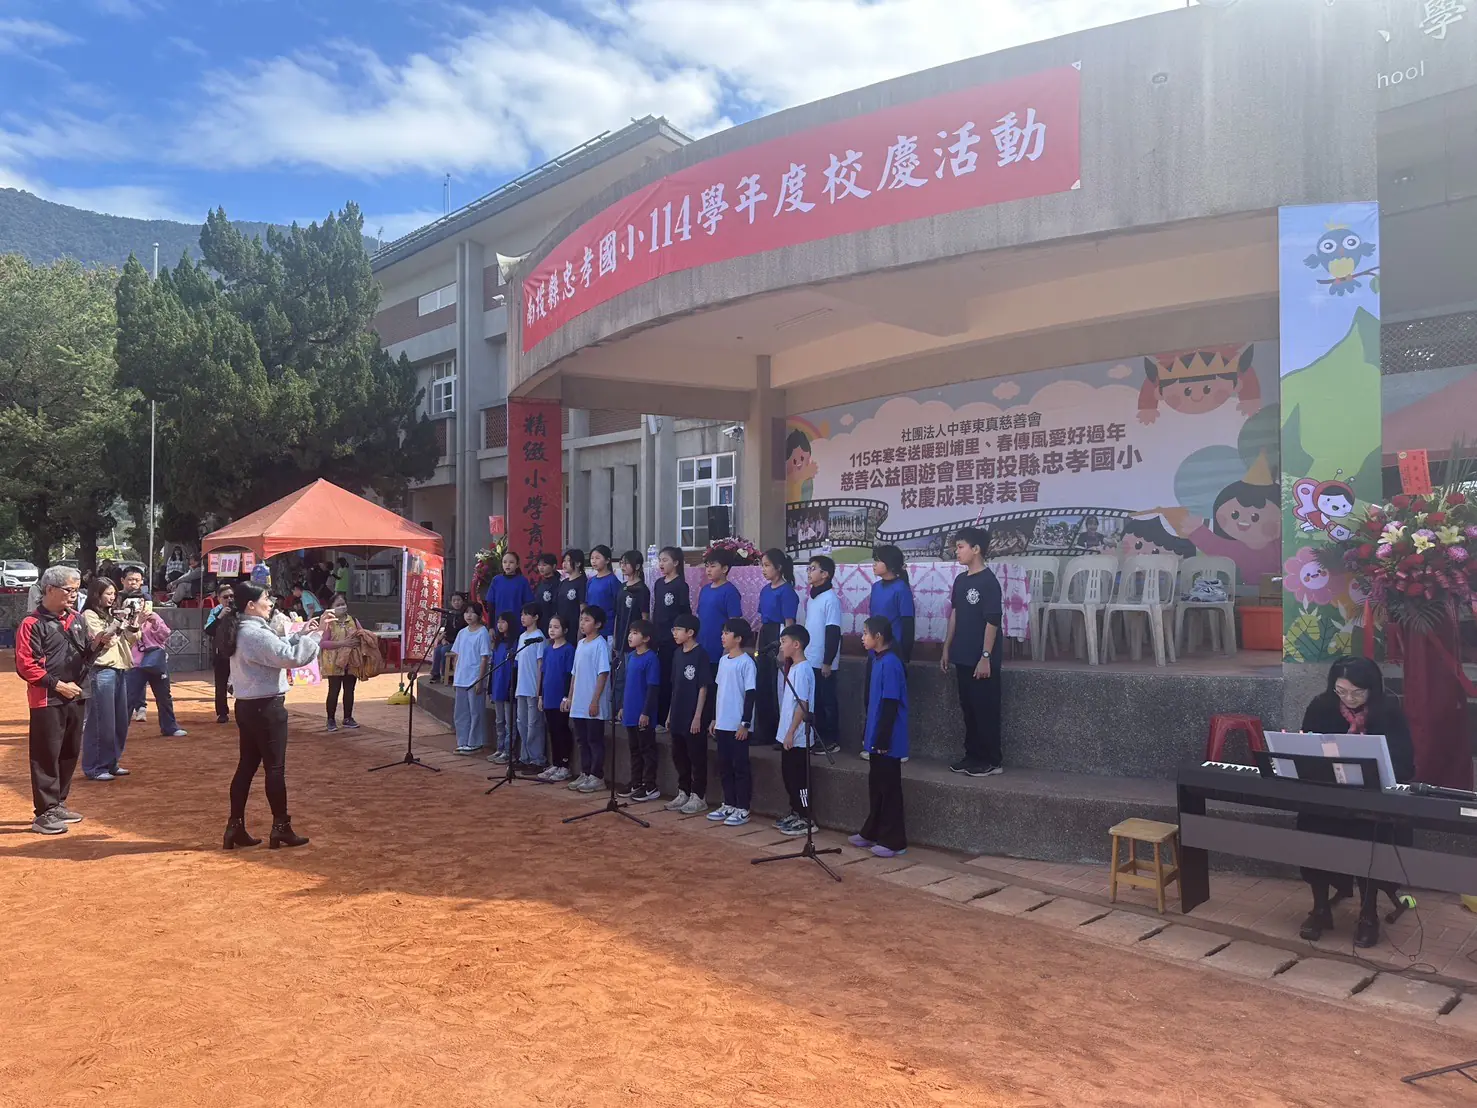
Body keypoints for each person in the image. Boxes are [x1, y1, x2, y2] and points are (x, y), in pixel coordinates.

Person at [1296, 656, 1416, 947]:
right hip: (1329, 795)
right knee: (1312, 825)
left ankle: (1368, 913)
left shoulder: (1388, 712)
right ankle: (1320, 908)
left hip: (1372, 800)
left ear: (1372, 689)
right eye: (1341, 691)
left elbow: (1404, 764)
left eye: (1357, 692)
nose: (1349, 699)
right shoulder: (1322, 706)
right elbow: (1307, 749)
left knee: (1369, 833)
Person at [222, 581, 320, 850]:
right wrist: (315, 637)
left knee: (246, 767)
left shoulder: (243, 629)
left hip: (247, 706)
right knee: (274, 768)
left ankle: (235, 826)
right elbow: (289, 658)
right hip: (266, 708)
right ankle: (281, 827)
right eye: (266, 598)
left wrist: (302, 634)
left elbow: (275, 650)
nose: (270, 603)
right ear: (251, 605)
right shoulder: (254, 633)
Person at [15, 566, 91, 835]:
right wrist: (58, 685)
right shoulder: (31, 624)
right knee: (45, 754)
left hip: (76, 694)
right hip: (47, 698)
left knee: (69, 751)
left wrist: (103, 641)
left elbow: (87, 653)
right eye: (69, 589)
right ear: (49, 589)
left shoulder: (77, 619)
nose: (74, 595)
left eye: (76, 590)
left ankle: (58, 803)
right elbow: (26, 665)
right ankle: (44, 812)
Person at [941, 527, 1004, 777]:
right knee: (968, 708)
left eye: (961, 547)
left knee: (985, 709)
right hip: (963, 655)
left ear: (976, 549)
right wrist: (947, 647)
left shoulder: (989, 581)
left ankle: (991, 760)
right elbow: (955, 614)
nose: (957, 552)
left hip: (981, 659)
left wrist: (986, 656)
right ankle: (972, 755)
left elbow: (992, 621)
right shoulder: (960, 580)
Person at [852, 616, 910, 858]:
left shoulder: (891, 663)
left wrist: (883, 738)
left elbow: (890, 702)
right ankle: (872, 831)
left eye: (866, 633)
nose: (862, 637)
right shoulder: (877, 660)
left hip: (889, 737)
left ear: (878, 636)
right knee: (876, 785)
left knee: (889, 788)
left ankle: (894, 840)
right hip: (876, 733)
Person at [80, 576, 137, 782]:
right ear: (97, 594)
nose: (112, 598)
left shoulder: (112, 614)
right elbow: (106, 641)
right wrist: (119, 622)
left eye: (114, 594)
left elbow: (131, 640)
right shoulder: (89, 615)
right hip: (101, 670)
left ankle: (111, 762)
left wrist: (134, 621)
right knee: (101, 721)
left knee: (120, 720)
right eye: (108, 594)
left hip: (120, 668)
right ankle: (95, 766)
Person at [120, 567, 187, 737]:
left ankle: (169, 727)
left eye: (140, 602)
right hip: (135, 663)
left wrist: (153, 621)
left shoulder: (153, 616)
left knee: (164, 696)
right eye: (134, 602)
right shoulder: (123, 618)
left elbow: (165, 635)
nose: (138, 605)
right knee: (128, 697)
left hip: (156, 661)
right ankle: (119, 730)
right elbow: (126, 639)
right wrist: (135, 623)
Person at [706, 617, 757, 827]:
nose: (723, 636)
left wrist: (745, 723)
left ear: (738, 638)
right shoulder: (723, 661)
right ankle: (729, 803)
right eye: (723, 632)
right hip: (723, 723)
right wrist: (714, 718)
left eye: (727, 633)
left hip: (738, 725)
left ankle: (743, 807)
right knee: (724, 765)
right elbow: (719, 691)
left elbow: (750, 694)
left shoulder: (747, 662)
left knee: (740, 766)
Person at [664, 611, 710, 815]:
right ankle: (684, 791)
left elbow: (703, 687)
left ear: (690, 632)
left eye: (678, 630)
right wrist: (669, 714)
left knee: (696, 756)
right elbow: (675, 686)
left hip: (693, 714)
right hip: (678, 712)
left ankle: (698, 796)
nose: (674, 633)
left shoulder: (701, 654)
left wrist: (698, 716)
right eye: (673, 629)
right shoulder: (677, 654)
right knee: (679, 754)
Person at [775, 624, 816, 837]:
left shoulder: (803, 670)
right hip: (788, 735)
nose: (781, 646)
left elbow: (802, 705)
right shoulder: (793, 668)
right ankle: (795, 811)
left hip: (798, 738)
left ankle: (807, 817)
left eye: (784, 642)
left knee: (800, 781)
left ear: (797, 644)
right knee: (789, 777)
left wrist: (791, 732)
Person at [756, 548, 799, 749]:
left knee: (778, 686)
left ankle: (781, 734)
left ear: (779, 567)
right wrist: (758, 647)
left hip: (780, 635)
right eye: (762, 565)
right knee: (763, 683)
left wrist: (784, 650)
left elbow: (789, 622)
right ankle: (764, 731)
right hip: (766, 635)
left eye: (767, 565)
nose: (763, 570)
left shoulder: (786, 591)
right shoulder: (765, 590)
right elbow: (762, 621)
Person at [567, 604, 613, 794]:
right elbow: (574, 673)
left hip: (592, 702)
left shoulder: (600, 645)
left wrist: (595, 701)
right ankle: (585, 772)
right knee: (582, 740)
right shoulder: (580, 644)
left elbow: (603, 674)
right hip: (579, 702)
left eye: (587, 620)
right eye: (581, 620)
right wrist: (570, 697)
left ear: (598, 624)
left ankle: (597, 776)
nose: (582, 623)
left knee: (595, 740)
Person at [616, 619, 662, 802]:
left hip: (643, 714)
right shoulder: (631, 657)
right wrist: (623, 706)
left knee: (646, 750)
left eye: (635, 633)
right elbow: (628, 685)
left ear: (646, 638)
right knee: (634, 749)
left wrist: (646, 712)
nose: (630, 636)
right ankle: (636, 782)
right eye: (630, 632)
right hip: (630, 711)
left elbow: (652, 687)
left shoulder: (651, 658)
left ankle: (650, 785)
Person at [804, 555, 843, 755]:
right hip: (811, 658)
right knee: (815, 701)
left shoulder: (830, 599)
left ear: (825, 574)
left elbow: (833, 632)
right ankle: (817, 738)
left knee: (827, 701)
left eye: (813, 568)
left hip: (824, 661)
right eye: (809, 568)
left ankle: (831, 740)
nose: (809, 572)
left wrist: (827, 662)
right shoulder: (812, 598)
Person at [651, 545, 690, 729]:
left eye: (665, 560)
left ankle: (668, 719)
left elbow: (684, 613)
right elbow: (656, 610)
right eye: (660, 560)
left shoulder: (681, 585)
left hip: (673, 640)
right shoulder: (659, 584)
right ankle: (658, 717)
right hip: (658, 638)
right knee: (659, 678)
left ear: (675, 563)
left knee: (670, 678)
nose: (661, 564)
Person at [535, 613, 576, 783]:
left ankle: (565, 765)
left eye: (556, 627)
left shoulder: (568, 650)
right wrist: (540, 696)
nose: (552, 630)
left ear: (565, 630)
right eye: (550, 627)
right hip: (548, 696)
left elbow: (569, 675)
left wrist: (566, 697)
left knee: (561, 729)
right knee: (552, 730)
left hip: (560, 697)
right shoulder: (547, 649)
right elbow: (543, 673)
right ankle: (556, 762)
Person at [317, 593, 365, 732]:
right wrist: (342, 643)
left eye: (343, 604)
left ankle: (348, 718)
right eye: (338, 605)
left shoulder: (353, 620)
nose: (342, 607)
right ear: (331, 607)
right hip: (333, 663)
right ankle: (330, 719)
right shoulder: (328, 623)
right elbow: (323, 643)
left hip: (351, 661)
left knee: (349, 690)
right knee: (334, 690)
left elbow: (362, 635)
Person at [449, 601, 491, 755]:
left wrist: (480, 680)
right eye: (466, 612)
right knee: (461, 712)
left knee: (475, 711)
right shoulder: (462, 633)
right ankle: (463, 741)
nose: (469, 615)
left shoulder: (482, 633)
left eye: (472, 612)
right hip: (461, 678)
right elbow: (456, 656)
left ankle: (475, 742)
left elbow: (484, 658)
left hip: (474, 678)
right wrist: (455, 677)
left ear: (479, 615)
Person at [511, 602, 548, 769]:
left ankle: (537, 758)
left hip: (533, 687)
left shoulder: (539, 637)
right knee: (522, 723)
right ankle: (525, 757)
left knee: (534, 724)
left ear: (536, 617)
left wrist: (539, 690)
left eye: (526, 614)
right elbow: (519, 663)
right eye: (522, 614)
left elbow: (540, 665)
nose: (523, 617)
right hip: (522, 687)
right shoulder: (522, 637)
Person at [486, 612, 516, 764]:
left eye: (503, 622)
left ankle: (509, 751)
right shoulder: (497, 643)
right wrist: (490, 688)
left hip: (508, 686)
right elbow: (492, 666)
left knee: (510, 722)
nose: (500, 625)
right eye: (498, 622)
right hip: (497, 686)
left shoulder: (514, 643)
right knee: (499, 720)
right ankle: (500, 748)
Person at [205, 582, 236, 723]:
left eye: (231, 596)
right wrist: (220, 617)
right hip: (221, 653)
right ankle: (222, 713)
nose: (229, 599)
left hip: (237, 653)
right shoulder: (215, 611)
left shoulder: (239, 610)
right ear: (218, 598)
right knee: (220, 684)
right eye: (225, 597)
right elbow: (208, 630)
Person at [612, 549, 651, 660]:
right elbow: (617, 614)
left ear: (637, 566)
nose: (623, 566)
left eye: (626, 563)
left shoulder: (642, 589)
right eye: (621, 563)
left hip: (634, 638)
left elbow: (645, 617)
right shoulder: (622, 586)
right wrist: (615, 637)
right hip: (620, 635)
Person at [586, 545, 621, 641]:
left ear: (607, 560)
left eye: (597, 558)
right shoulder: (591, 581)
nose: (594, 561)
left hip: (607, 628)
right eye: (592, 558)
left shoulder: (612, 581)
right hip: (591, 628)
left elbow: (617, 607)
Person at [489, 551, 534, 626]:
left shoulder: (522, 581)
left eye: (511, 562)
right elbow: (491, 605)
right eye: (505, 562)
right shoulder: (496, 580)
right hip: (499, 623)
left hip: (518, 623)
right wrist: (491, 627)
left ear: (517, 565)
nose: (507, 565)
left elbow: (528, 604)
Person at [431, 591, 466, 684]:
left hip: (459, 643)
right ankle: (435, 674)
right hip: (449, 641)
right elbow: (446, 631)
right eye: (454, 601)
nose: (456, 602)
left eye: (458, 600)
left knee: (444, 650)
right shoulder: (449, 615)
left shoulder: (464, 615)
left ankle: (446, 675)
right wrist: (443, 639)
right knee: (437, 649)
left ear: (463, 601)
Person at [556, 548, 588, 639]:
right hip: (562, 628)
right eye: (564, 561)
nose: (564, 564)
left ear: (578, 563)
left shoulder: (582, 582)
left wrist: (580, 632)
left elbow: (583, 609)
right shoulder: (563, 582)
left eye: (568, 561)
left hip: (574, 628)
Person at [533, 553, 560, 633]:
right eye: (539, 565)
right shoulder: (540, 583)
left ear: (554, 566)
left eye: (544, 565)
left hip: (551, 624)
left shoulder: (558, 584)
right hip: (538, 622)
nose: (541, 568)